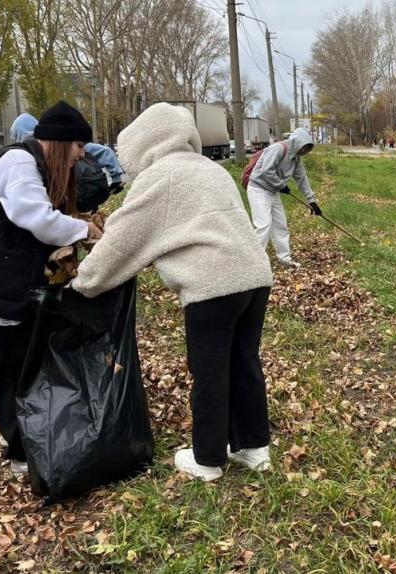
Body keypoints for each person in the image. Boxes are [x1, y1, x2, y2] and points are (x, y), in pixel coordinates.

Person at [72, 103, 275, 482]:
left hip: (213, 285)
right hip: (255, 277)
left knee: (210, 371)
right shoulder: (209, 168)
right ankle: (254, 447)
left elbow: (121, 242)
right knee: (244, 362)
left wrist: (83, 283)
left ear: (143, 144)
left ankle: (208, 459)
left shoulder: (161, 177)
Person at [0, 101, 100, 477]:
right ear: (58, 141)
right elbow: (35, 218)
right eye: (78, 145)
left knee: (22, 364)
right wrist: (84, 231)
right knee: (7, 370)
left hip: (6, 285)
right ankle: (20, 455)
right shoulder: (18, 164)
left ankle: (26, 438)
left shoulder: (37, 165)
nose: (82, 153)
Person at [246, 127, 320, 268]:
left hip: (273, 191)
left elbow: (302, 179)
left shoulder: (296, 158)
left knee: (280, 225)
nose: (305, 151)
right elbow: (266, 171)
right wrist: (281, 185)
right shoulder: (278, 149)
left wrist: (312, 201)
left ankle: (284, 259)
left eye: (307, 149)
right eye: (304, 147)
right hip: (258, 189)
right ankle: (254, 264)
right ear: (297, 142)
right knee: (264, 225)